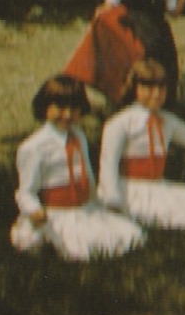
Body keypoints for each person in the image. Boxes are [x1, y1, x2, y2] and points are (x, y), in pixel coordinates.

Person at [11, 76, 145, 260]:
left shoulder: (78, 137)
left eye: (73, 109)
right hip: (56, 213)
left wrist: (95, 200)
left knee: (132, 235)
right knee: (83, 250)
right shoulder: (34, 147)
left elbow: (86, 173)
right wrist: (34, 210)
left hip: (83, 209)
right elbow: (26, 191)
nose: (67, 115)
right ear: (44, 107)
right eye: (60, 108)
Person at [97, 59, 185, 232]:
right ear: (134, 88)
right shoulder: (120, 123)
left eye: (161, 88)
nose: (156, 94)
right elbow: (108, 166)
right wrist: (112, 201)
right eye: (148, 88)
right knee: (174, 216)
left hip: (158, 185)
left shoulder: (167, 121)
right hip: (131, 190)